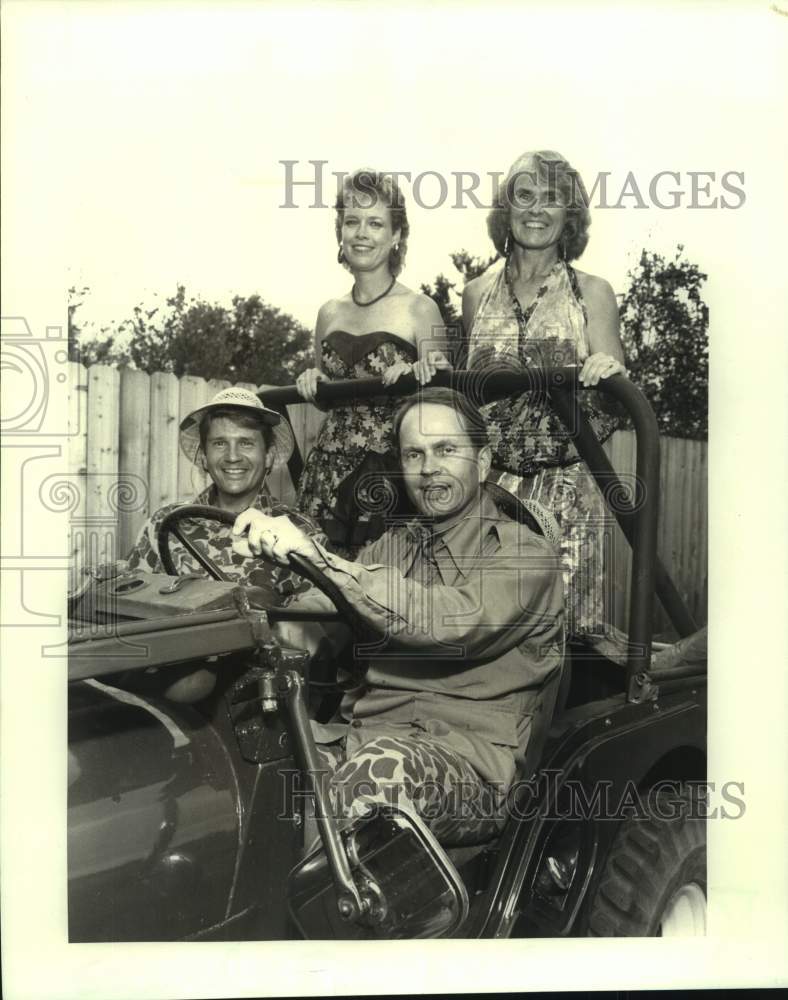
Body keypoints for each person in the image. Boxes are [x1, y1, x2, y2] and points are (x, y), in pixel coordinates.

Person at [233, 388, 563, 846]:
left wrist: (320, 557)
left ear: (483, 462)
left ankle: (317, 913)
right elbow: (318, 612)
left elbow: (446, 623)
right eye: (415, 453)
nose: (429, 468)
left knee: (380, 772)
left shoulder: (526, 555)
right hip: (363, 740)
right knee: (241, 749)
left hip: (470, 768)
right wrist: (254, 612)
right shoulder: (392, 546)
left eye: (446, 449)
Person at [463, 149, 627, 641]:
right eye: (525, 196)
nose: (537, 209)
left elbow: (620, 398)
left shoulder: (592, 292)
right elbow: (469, 393)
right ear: (506, 211)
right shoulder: (476, 293)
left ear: (569, 215)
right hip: (491, 492)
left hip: (566, 493)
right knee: (486, 626)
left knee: (563, 638)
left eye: (552, 198)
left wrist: (609, 371)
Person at [294, 168, 450, 557]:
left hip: (392, 478)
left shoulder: (421, 308)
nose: (362, 233)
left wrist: (418, 377)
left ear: (396, 235)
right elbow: (328, 397)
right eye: (352, 222)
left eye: (376, 223)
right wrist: (313, 380)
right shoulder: (328, 312)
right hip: (327, 474)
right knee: (318, 587)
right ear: (340, 232)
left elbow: (446, 404)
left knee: (387, 592)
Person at [126, 385, 315, 599]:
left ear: (268, 456)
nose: (232, 456)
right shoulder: (163, 524)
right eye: (219, 443)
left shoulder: (299, 532)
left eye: (246, 443)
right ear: (204, 457)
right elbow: (129, 599)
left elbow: (318, 623)